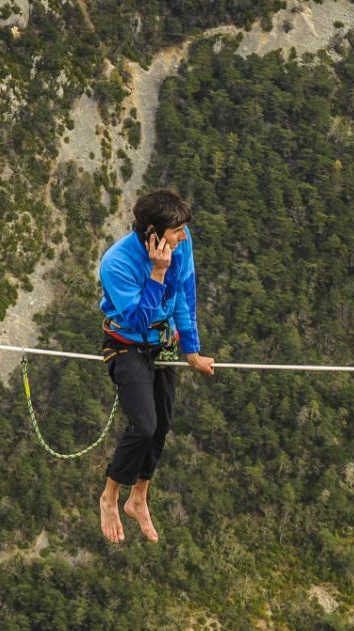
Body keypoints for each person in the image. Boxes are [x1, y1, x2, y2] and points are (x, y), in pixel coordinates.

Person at [98, 189, 215, 543]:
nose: (183, 237)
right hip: (126, 344)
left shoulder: (181, 242)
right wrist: (158, 272)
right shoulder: (116, 263)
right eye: (176, 231)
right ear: (152, 232)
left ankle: (139, 498)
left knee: (161, 425)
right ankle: (110, 495)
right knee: (144, 426)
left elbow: (184, 293)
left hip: (162, 343)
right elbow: (135, 320)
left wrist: (192, 350)